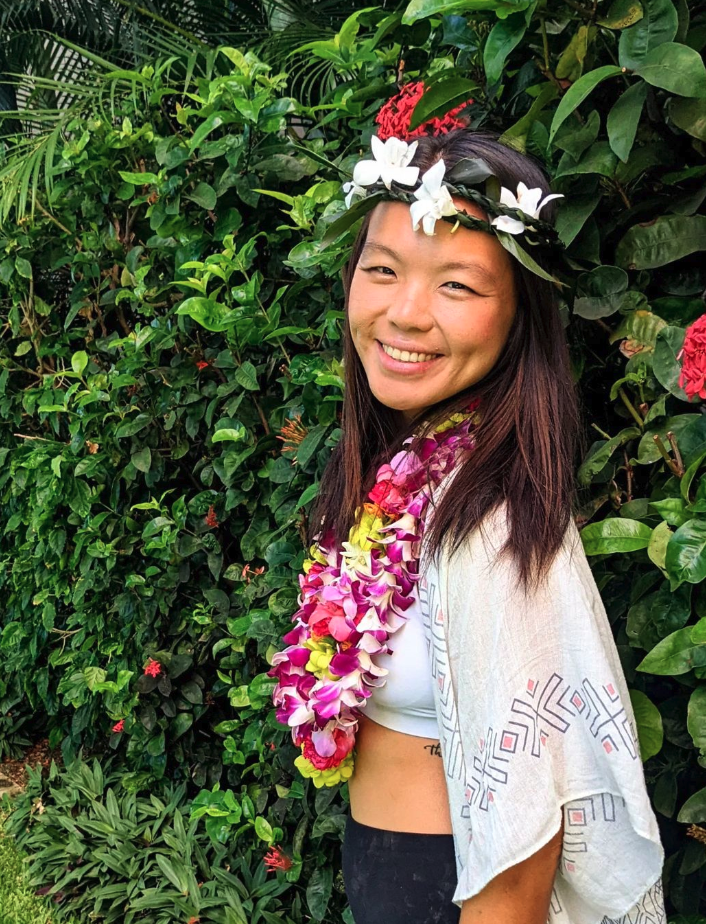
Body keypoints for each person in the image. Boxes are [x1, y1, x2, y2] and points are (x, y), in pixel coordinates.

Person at [269, 85, 666, 924]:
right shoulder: (402, 475)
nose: (404, 313)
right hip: (390, 873)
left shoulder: (498, 527)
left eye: (457, 284)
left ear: (519, 317)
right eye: (381, 269)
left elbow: (527, 834)